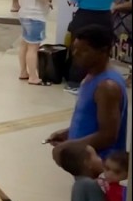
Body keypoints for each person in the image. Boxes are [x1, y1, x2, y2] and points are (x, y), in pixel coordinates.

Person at [47, 24, 129, 160]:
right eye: (75, 49)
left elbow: (108, 136)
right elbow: (90, 118)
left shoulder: (107, 87)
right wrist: (69, 133)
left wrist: (69, 146)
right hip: (84, 161)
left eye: (84, 51)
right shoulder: (91, 76)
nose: (75, 54)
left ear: (103, 51)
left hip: (99, 166)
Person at [67, 0, 125, 89]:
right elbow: (117, 0)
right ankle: (99, 77)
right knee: (101, 49)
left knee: (79, 49)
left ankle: (75, 81)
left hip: (84, 17)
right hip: (104, 17)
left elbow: (72, 1)